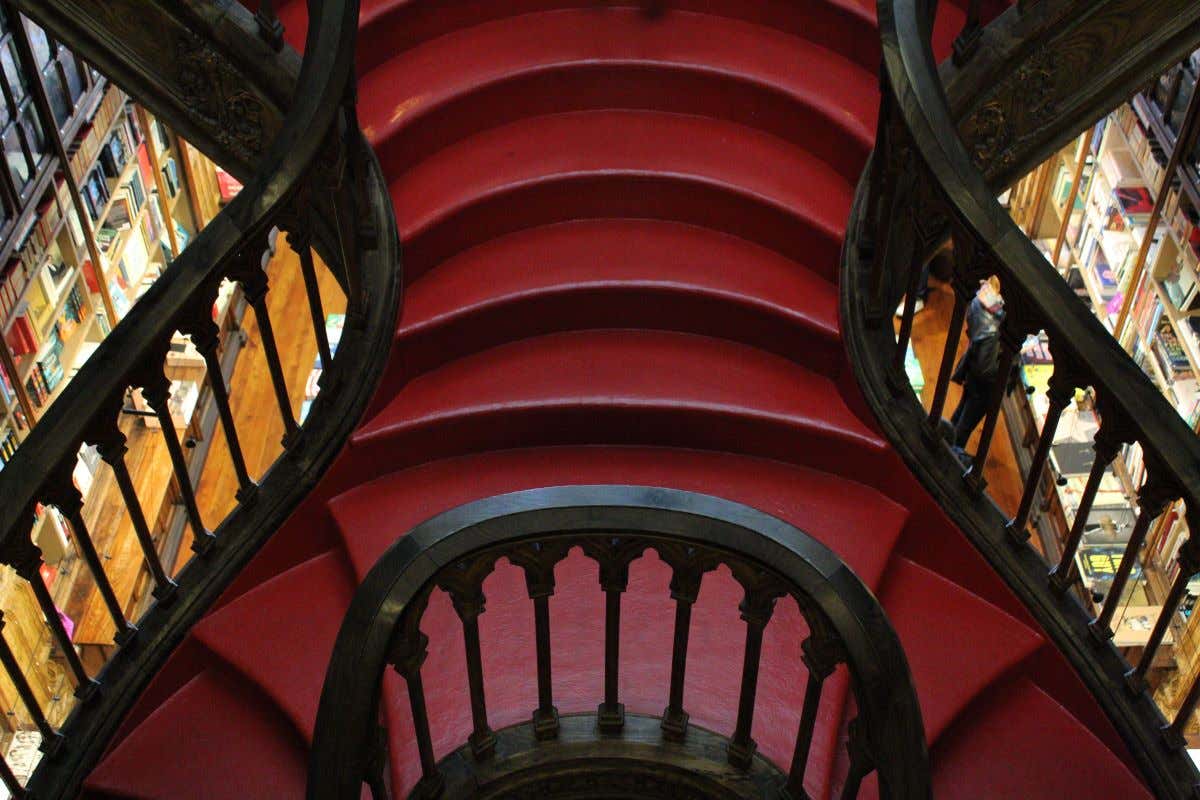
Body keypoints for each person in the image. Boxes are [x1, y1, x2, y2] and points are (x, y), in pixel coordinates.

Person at [949, 283, 1005, 452]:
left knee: (961, 412)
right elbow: (986, 369)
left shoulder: (980, 300)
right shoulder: (997, 326)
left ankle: (945, 440)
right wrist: (1006, 367)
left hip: (972, 369)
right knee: (966, 423)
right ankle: (950, 453)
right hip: (986, 384)